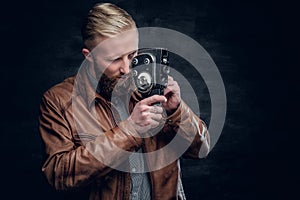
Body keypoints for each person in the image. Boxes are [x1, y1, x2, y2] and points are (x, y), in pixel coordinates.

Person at [38, 2, 210, 200]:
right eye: (115, 59)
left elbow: (201, 149)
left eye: (132, 55)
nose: (127, 69)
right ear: (89, 56)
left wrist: (176, 111)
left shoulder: (149, 86)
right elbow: (58, 175)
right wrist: (130, 131)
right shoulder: (57, 101)